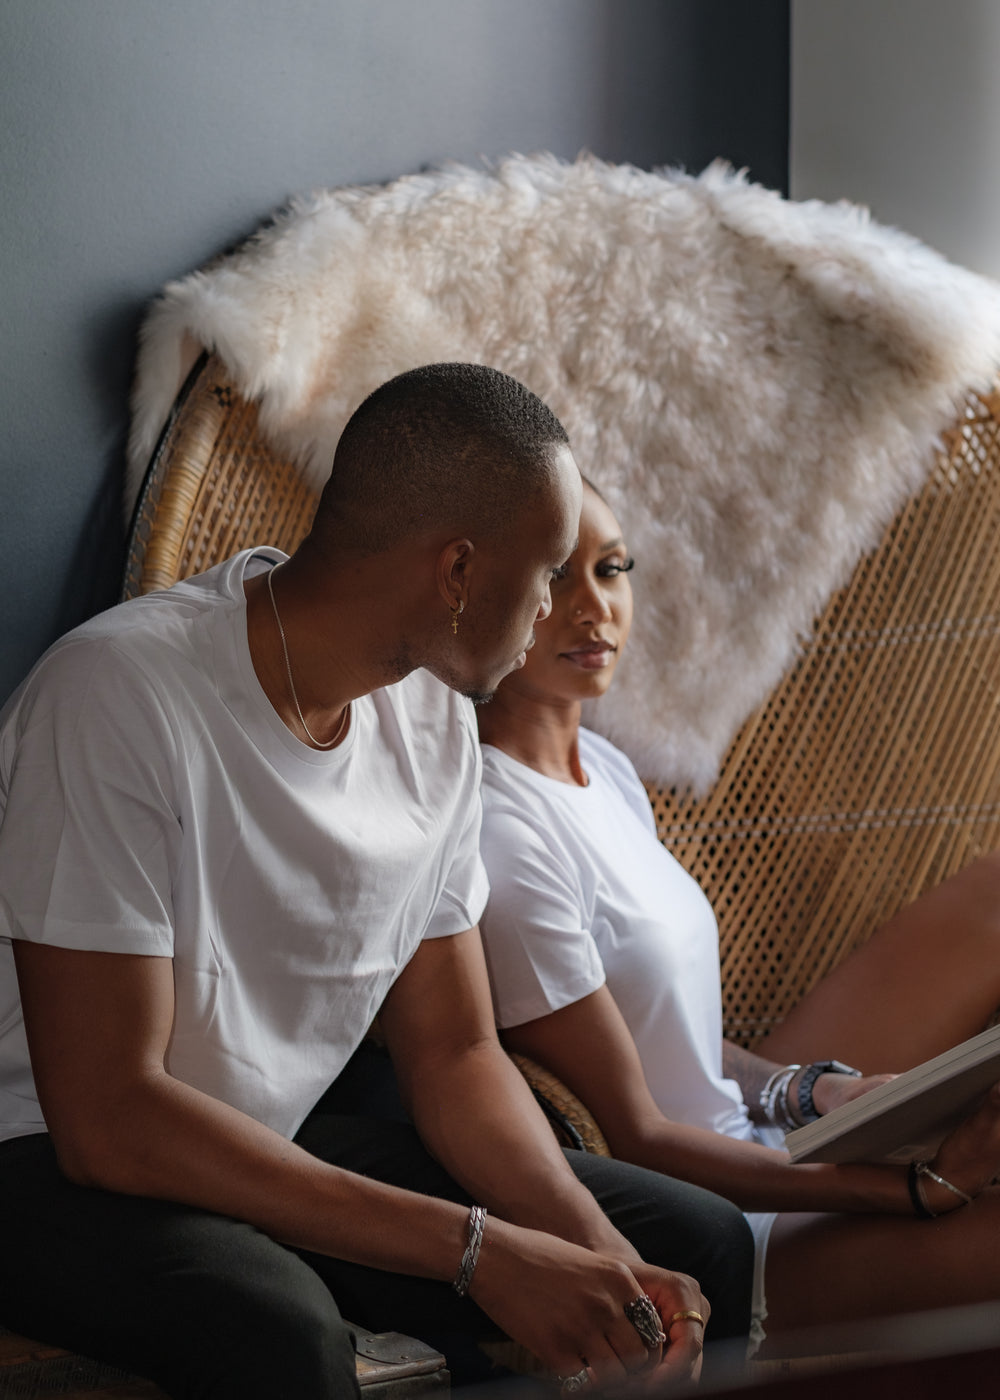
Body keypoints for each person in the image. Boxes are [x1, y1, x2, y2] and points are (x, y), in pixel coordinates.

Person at [0, 364, 754, 1400]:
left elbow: (452, 1051)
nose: (549, 611)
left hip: (270, 1133)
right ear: (456, 568)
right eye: (542, 574)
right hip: (49, 1155)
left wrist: (593, 1250)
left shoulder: (434, 715)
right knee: (278, 1334)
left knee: (692, 1241)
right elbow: (111, 1114)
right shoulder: (119, 697)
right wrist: (482, 1247)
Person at [475, 477, 1000, 1357]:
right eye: (556, 578)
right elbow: (636, 1135)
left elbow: (664, 1029)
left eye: (611, 569)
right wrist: (911, 1185)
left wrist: (809, 1089)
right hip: (732, 1228)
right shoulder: (501, 836)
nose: (595, 606)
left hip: (765, 1137)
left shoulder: (601, 770)